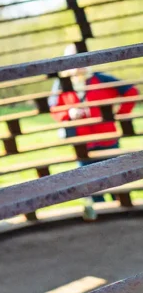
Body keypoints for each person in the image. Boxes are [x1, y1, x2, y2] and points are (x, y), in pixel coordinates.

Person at [48, 43, 139, 216]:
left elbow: (132, 92)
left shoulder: (101, 79)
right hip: (82, 143)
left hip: (107, 139)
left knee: (115, 180)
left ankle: (121, 214)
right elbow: (54, 109)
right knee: (90, 184)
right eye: (72, 60)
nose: (77, 65)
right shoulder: (61, 84)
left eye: (81, 59)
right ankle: (102, 215)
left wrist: (119, 114)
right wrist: (69, 113)